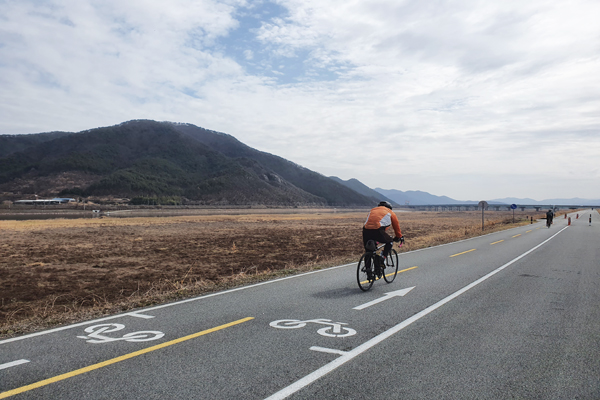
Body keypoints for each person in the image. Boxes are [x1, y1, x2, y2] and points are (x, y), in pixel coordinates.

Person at [363, 201, 404, 275]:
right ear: (389, 207)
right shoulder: (390, 212)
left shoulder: (373, 210)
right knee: (390, 241)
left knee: (368, 251)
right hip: (377, 230)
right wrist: (399, 237)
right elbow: (396, 226)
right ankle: (383, 257)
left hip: (366, 230)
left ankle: (368, 270)